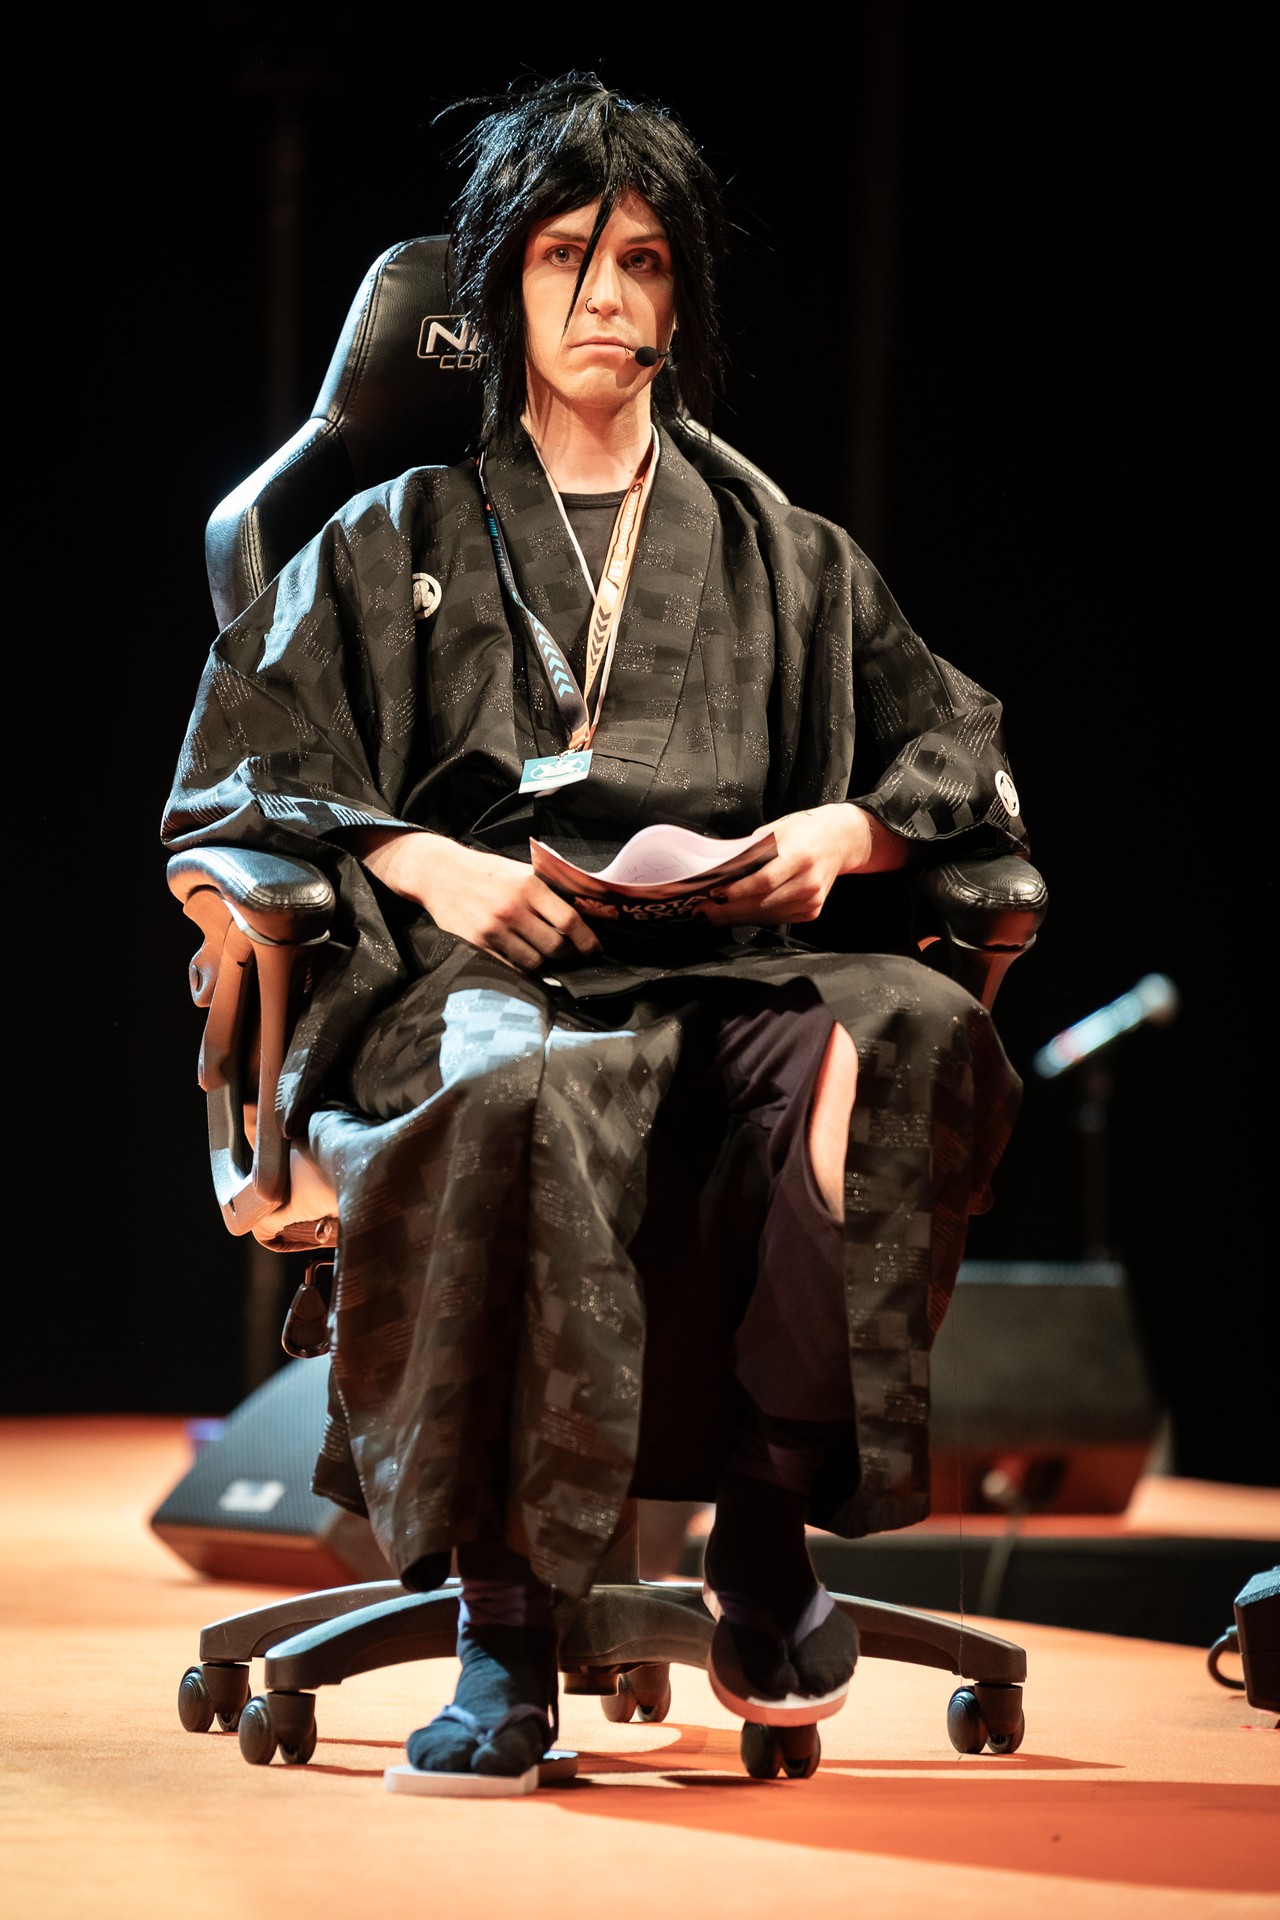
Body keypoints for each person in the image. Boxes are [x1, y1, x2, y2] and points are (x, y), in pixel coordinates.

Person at [163, 73, 1030, 1790]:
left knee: (910, 1031)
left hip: (725, 957)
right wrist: (426, 861)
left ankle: (763, 1541)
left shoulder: (781, 549)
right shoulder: (394, 533)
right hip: (483, 966)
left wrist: (844, 832)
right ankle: (502, 1623)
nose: (610, 297)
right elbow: (234, 780)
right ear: (501, 294)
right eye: (569, 257)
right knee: (520, 1093)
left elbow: (960, 756)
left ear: (680, 298)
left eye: (644, 262)